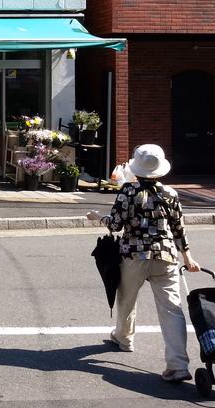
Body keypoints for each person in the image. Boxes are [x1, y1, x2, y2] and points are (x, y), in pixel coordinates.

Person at [86, 143, 200, 383]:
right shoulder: (171, 193)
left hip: (133, 256)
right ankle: (178, 365)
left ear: (136, 169)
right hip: (166, 257)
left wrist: (98, 217)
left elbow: (116, 224)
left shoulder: (128, 190)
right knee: (172, 311)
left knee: (127, 298)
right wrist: (187, 257)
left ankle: (124, 338)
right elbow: (178, 228)